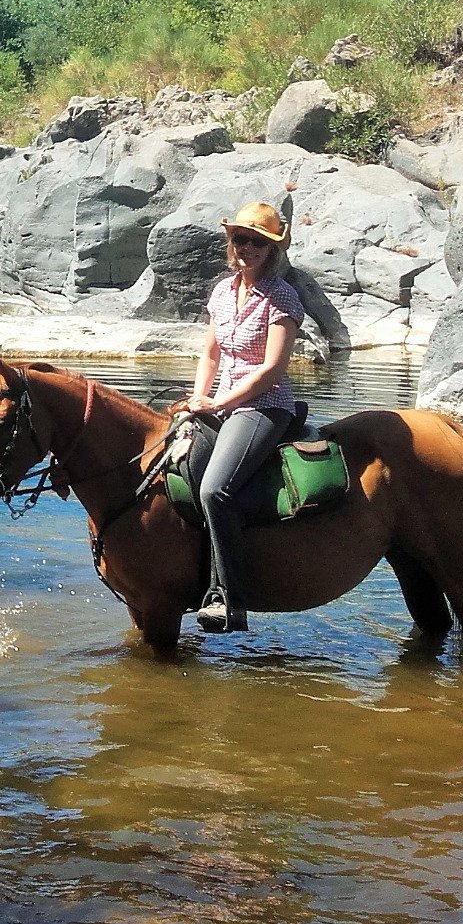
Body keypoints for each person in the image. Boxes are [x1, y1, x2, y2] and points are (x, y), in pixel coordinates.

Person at [180, 199, 305, 634]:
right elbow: (210, 353)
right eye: (240, 239)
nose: (247, 247)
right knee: (179, 470)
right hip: (220, 405)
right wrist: (198, 397)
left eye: (258, 242)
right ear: (230, 242)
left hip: (263, 407)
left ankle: (228, 598)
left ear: (273, 249)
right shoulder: (221, 291)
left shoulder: (283, 297)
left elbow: (272, 370)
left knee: (216, 489)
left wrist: (218, 404)